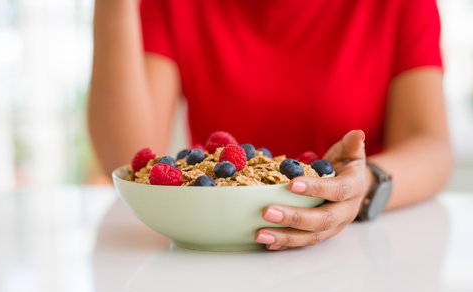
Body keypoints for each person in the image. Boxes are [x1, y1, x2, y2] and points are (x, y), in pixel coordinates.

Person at [88, 0, 452, 250]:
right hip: (211, 257)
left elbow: (431, 145)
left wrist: (361, 185)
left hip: (359, 254)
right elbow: (129, 161)